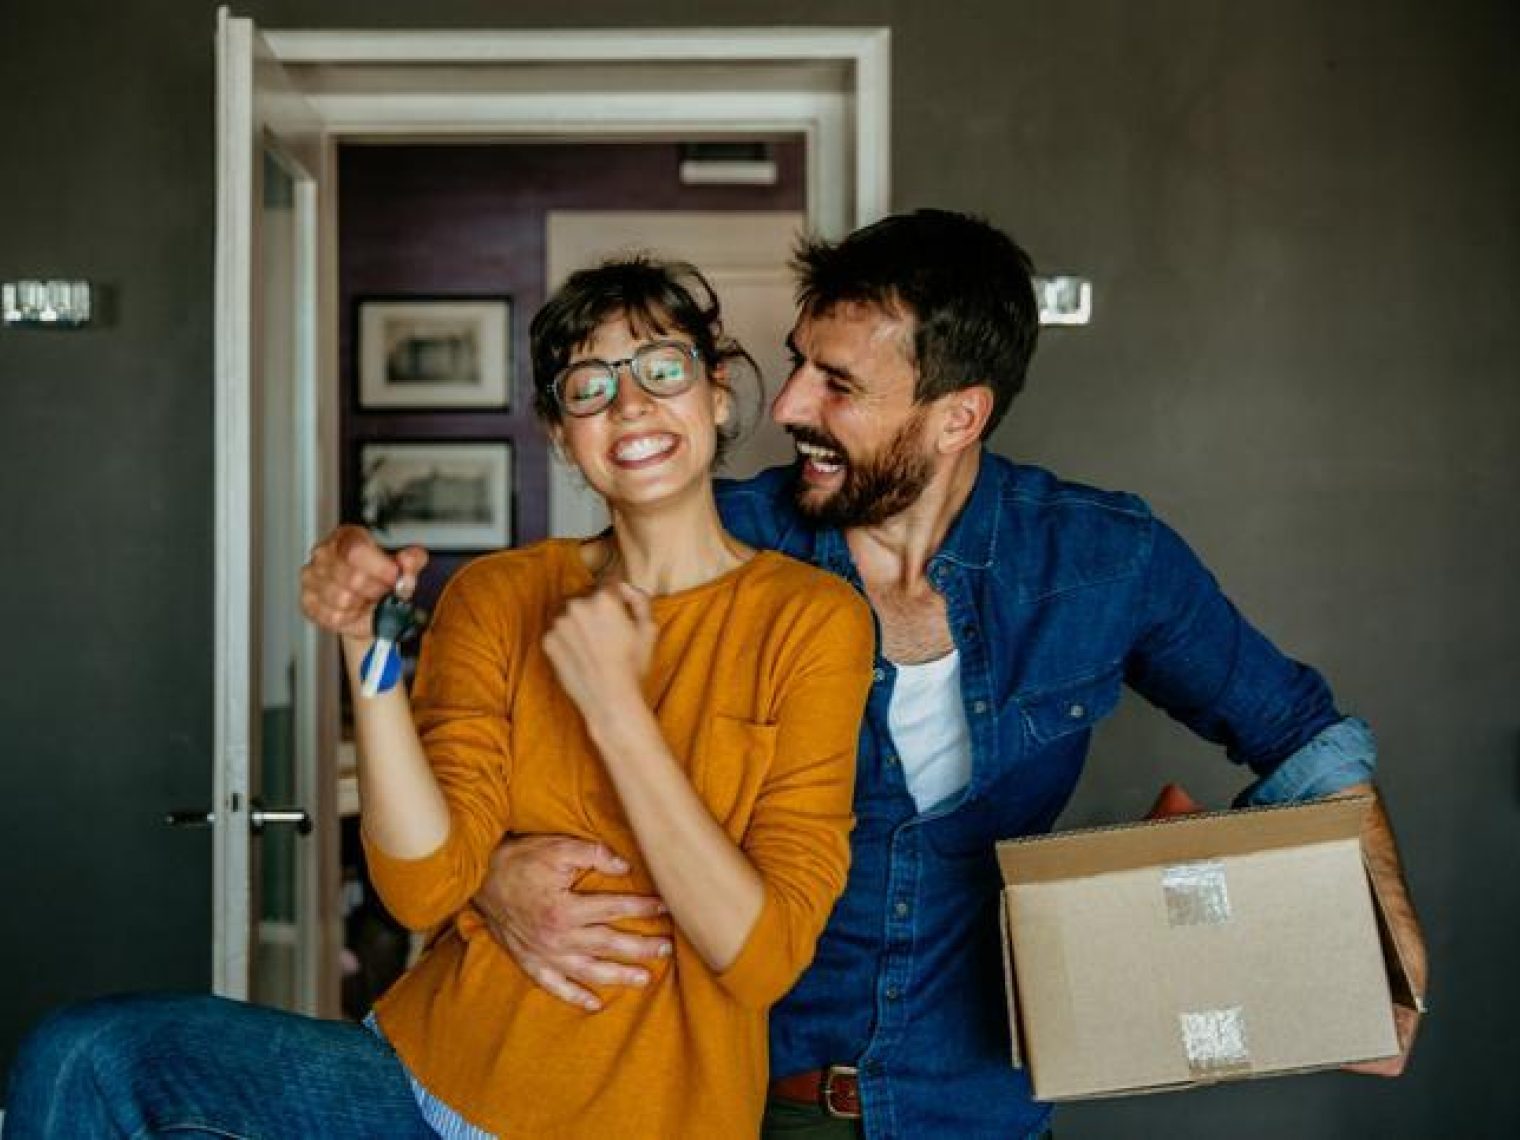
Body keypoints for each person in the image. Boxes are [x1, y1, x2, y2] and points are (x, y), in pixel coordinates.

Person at [466, 210, 1429, 1139]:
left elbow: (1301, 729)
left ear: (957, 416)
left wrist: (1392, 967)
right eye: (799, 362)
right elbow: (507, 724)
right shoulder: (721, 540)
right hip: (740, 1102)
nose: (792, 404)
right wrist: (489, 876)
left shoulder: (1101, 558)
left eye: (836, 383)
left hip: (983, 1113)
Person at [4, 258, 874, 1139]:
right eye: (589, 384)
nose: (630, 404)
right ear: (559, 430)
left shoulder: (812, 622)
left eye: (661, 367)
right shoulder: (497, 596)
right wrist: (365, 647)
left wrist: (616, 711)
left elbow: (761, 958)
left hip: (655, 1118)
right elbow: (423, 888)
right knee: (87, 1055)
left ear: (717, 394)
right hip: (426, 1088)